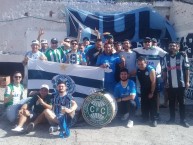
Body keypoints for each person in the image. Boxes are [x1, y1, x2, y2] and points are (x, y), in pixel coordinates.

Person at [133, 37, 167, 117]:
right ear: (143, 43)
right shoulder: (139, 49)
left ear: (151, 43)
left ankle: (157, 112)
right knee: (144, 94)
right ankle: (144, 112)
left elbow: (167, 55)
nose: (147, 43)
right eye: (145, 42)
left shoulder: (157, 49)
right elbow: (129, 50)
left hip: (156, 75)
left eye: (149, 42)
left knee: (156, 95)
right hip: (144, 75)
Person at [162, 42, 190, 128]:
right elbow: (164, 71)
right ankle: (172, 119)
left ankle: (183, 120)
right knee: (171, 103)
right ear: (169, 47)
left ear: (177, 47)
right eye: (170, 46)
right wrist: (165, 81)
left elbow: (186, 69)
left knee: (182, 103)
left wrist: (187, 81)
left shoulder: (182, 55)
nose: (172, 47)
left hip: (181, 84)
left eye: (174, 46)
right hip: (170, 85)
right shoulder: (165, 57)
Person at [136, 56, 158, 127]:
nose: (140, 66)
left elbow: (153, 82)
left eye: (142, 64)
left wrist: (151, 92)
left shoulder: (150, 69)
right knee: (144, 104)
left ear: (146, 63)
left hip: (151, 89)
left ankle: (154, 120)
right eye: (138, 64)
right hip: (143, 89)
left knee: (152, 105)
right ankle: (145, 118)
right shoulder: (138, 70)